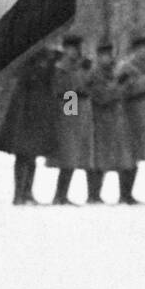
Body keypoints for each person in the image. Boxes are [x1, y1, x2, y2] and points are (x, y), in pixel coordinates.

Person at [0, 43, 59, 204]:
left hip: (44, 109)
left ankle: (28, 192)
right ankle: (21, 194)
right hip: (27, 109)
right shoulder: (31, 58)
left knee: (33, 153)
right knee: (25, 152)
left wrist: (71, 112)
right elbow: (66, 89)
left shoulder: (57, 63)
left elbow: (67, 89)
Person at [86, 41, 137, 204]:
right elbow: (101, 97)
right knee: (99, 160)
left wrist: (126, 83)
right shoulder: (93, 75)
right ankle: (93, 195)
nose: (108, 59)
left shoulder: (115, 72)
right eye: (104, 56)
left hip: (118, 121)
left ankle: (125, 195)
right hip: (100, 122)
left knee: (126, 160)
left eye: (110, 55)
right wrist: (119, 86)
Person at [46, 35, 94, 205]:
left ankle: (63, 194)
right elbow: (67, 91)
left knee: (74, 154)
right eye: (73, 48)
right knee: (68, 153)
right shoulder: (62, 67)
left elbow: (88, 85)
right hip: (69, 105)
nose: (76, 52)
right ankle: (60, 194)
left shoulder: (79, 66)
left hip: (80, 108)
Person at [117, 34, 145, 203]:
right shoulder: (125, 68)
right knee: (129, 154)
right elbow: (119, 90)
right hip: (128, 114)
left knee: (140, 154)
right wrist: (143, 84)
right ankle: (124, 193)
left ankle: (129, 192)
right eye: (144, 49)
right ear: (135, 50)